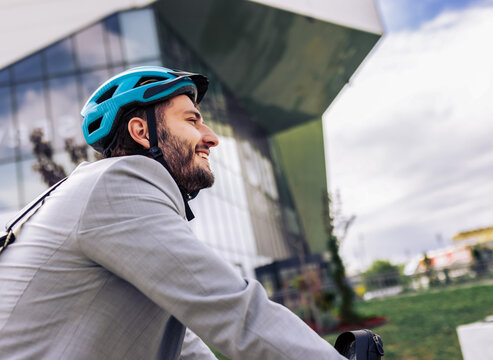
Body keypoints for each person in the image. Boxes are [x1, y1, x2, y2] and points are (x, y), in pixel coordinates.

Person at [0, 66, 346, 359]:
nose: (211, 137)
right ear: (141, 131)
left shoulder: (117, 212)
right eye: (192, 120)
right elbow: (234, 311)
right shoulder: (117, 184)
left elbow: (185, 348)